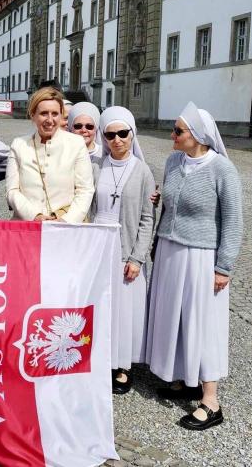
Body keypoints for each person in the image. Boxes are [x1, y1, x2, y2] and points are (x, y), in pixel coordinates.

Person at [144, 101, 243, 431]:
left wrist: (224, 266)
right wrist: (156, 234)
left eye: (177, 130)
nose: (172, 135)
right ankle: (183, 378)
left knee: (203, 322)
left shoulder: (222, 170)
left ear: (198, 135)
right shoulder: (173, 161)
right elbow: (169, 206)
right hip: (169, 250)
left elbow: (233, 221)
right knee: (173, 316)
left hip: (201, 255)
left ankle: (211, 400)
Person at [91, 106, 154, 394]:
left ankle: (124, 367)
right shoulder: (96, 166)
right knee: (101, 305)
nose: (117, 140)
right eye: (110, 135)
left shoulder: (142, 171)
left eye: (123, 133)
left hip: (125, 245)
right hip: (99, 244)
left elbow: (147, 218)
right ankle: (101, 359)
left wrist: (137, 258)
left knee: (125, 309)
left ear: (132, 134)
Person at [6, 87, 94, 223]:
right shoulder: (19, 145)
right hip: (28, 224)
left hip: (66, 225)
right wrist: (34, 215)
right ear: (33, 115)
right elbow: (12, 191)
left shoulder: (76, 144)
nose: (50, 120)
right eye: (44, 113)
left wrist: (66, 220)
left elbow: (85, 190)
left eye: (55, 114)